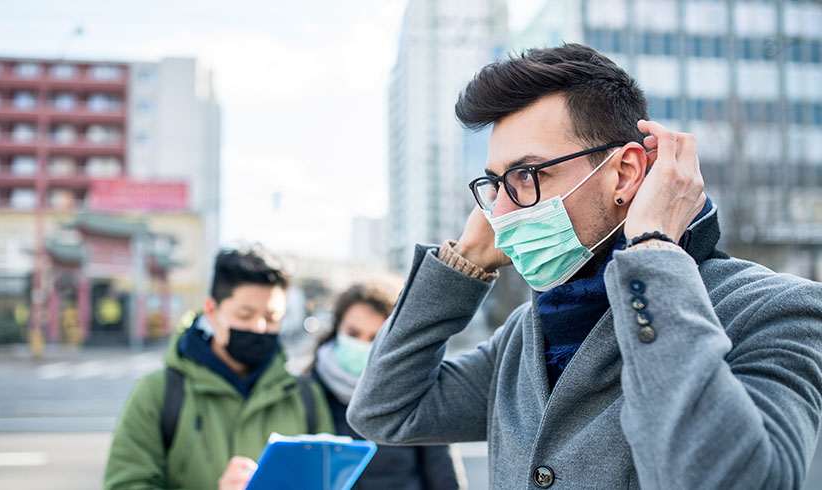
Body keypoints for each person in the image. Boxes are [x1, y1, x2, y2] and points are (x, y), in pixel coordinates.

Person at [347, 43, 822, 489]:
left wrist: (653, 247)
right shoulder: (527, 333)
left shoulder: (777, 310)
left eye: (527, 176)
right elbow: (386, 410)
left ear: (625, 173)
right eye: (495, 185)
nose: (503, 213)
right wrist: (463, 260)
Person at [104, 245, 334, 490]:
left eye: (271, 318)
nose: (258, 327)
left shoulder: (305, 396)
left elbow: (326, 481)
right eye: (245, 315)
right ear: (212, 311)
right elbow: (126, 483)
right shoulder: (159, 392)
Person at [313, 282, 464, 490]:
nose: (361, 345)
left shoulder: (415, 389)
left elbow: (442, 472)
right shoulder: (306, 390)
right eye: (353, 333)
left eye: (374, 338)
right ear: (337, 327)